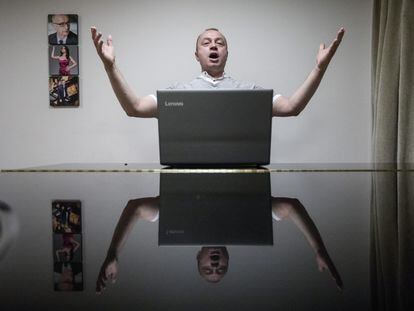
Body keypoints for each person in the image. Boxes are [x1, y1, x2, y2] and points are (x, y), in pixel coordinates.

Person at [95, 195, 342, 292]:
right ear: (227, 258)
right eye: (220, 268)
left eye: (207, 268)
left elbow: (135, 207)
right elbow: (291, 206)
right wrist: (319, 250)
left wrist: (113, 252)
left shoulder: (179, 221)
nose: (214, 265)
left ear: (198, 256)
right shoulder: (247, 222)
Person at [90, 26, 345, 118]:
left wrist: (319, 68)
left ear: (226, 53)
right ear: (197, 55)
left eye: (220, 42)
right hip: (185, 181)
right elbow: (133, 107)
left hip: (244, 180)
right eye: (206, 42)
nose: (213, 45)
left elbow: (291, 107)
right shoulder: (177, 93)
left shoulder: (250, 93)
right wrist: (110, 67)